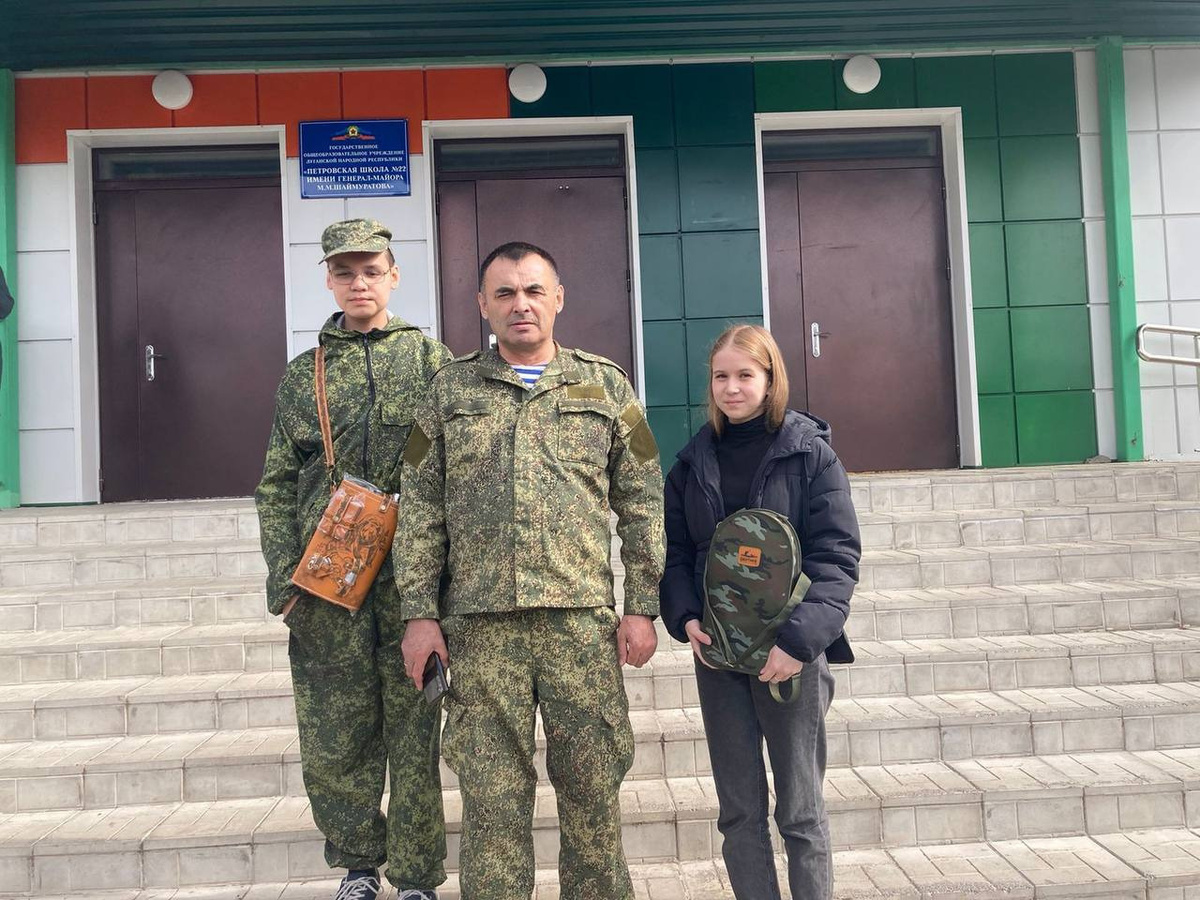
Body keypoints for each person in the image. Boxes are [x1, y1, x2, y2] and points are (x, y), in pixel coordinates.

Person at [394, 241, 664, 900]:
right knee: (491, 804)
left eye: (534, 290)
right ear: (482, 304)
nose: (521, 304)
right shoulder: (447, 391)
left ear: (558, 298)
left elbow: (644, 497)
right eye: (506, 293)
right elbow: (419, 507)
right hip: (481, 631)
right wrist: (419, 615)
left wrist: (641, 605)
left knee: (593, 797)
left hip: (580, 628)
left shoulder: (607, 386)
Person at [255, 219, 451, 900]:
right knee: (336, 735)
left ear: (394, 276)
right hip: (326, 583)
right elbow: (276, 483)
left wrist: (446, 582)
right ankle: (359, 867)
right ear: (329, 281)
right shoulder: (303, 374)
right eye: (345, 273)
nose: (359, 283)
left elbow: (450, 469)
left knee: (416, 731)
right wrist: (286, 581)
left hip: (410, 583)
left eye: (371, 271)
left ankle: (417, 876)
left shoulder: (430, 361)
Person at [659, 323, 860, 900]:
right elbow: (677, 555)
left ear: (770, 380)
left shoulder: (810, 455)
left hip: (790, 658)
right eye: (720, 376)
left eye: (745, 375)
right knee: (739, 813)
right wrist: (686, 618)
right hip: (720, 657)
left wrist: (798, 643)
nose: (731, 387)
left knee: (800, 811)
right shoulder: (692, 463)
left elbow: (837, 557)